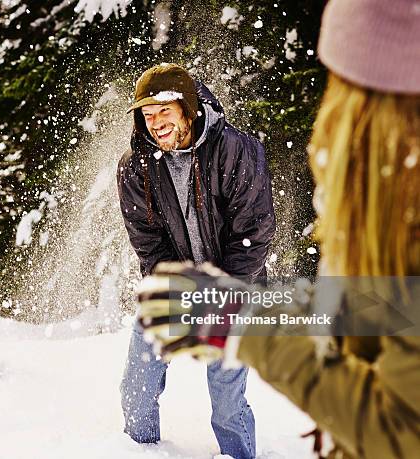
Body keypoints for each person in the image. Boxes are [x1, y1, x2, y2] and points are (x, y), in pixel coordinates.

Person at [137, 1, 419, 458]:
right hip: (218, 292)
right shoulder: (389, 226)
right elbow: (370, 310)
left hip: (233, 283)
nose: (323, 141)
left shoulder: (233, 152)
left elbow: (396, 430)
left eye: (344, 97)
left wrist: (237, 316)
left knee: (228, 405)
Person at [117, 63, 276, 458]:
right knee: (137, 388)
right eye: (147, 116)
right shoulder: (136, 166)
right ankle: (138, 453)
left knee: (226, 401)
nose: (156, 124)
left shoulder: (234, 150)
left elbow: (254, 233)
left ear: (187, 108)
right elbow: (148, 242)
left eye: (164, 112)